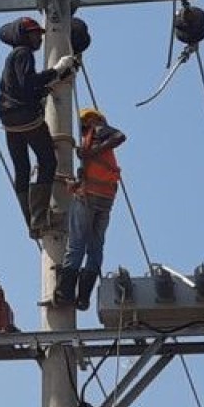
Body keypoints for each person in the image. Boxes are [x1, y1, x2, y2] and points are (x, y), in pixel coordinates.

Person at [0, 16, 77, 238]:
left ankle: (32, 222)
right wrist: (57, 70)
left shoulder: (11, 59)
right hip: (27, 119)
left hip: (10, 122)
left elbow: (21, 89)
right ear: (23, 36)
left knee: (21, 170)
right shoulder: (23, 53)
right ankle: (40, 218)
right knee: (48, 161)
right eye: (34, 34)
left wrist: (46, 88)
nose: (39, 39)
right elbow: (29, 83)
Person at [54, 107, 126, 310]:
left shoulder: (96, 130)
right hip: (106, 198)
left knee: (76, 245)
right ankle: (83, 297)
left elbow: (120, 136)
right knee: (95, 248)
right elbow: (93, 172)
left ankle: (65, 292)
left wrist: (91, 152)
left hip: (90, 197)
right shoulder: (94, 142)